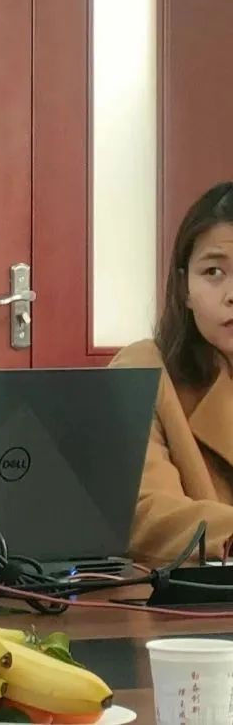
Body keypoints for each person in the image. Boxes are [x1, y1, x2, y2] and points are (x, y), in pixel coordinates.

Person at [112, 181, 233, 563]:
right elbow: (142, 512)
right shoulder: (144, 370)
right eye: (214, 271)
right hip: (201, 595)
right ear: (184, 288)